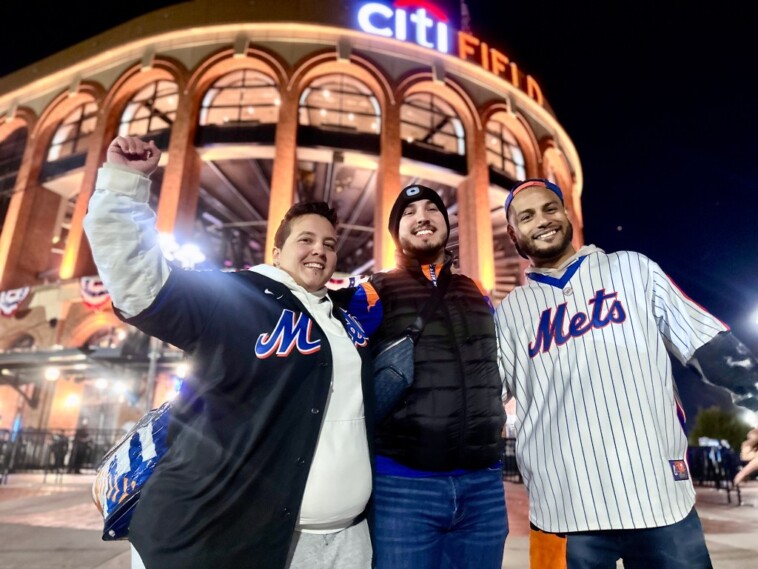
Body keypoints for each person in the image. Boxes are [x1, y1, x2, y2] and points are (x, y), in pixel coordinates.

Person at [83, 135, 375, 569]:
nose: (319, 249)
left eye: (330, 244)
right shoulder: (234, 295)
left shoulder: (345, 320)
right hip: (228, 537)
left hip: (344, 540)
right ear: (276, 253)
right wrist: (125, 184)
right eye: (306, 240)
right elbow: (138, 281)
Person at [493, 178, 758, 569]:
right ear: (514, 234)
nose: (543, 221)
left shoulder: (632, 269)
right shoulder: (508, 314)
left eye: (550, 208)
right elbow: (477, 399)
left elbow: (711, 346)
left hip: (659, 500)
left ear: (567, 213)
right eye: (527, 216)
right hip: (562, 512)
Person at [334, 185, 508, 569]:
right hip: (403, 488)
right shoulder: (372, 291)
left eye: (432, 209)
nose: (423, 217)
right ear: (397, 231)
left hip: (483, 488)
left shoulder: (475, 291)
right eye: (409, 213)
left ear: (446, 225)